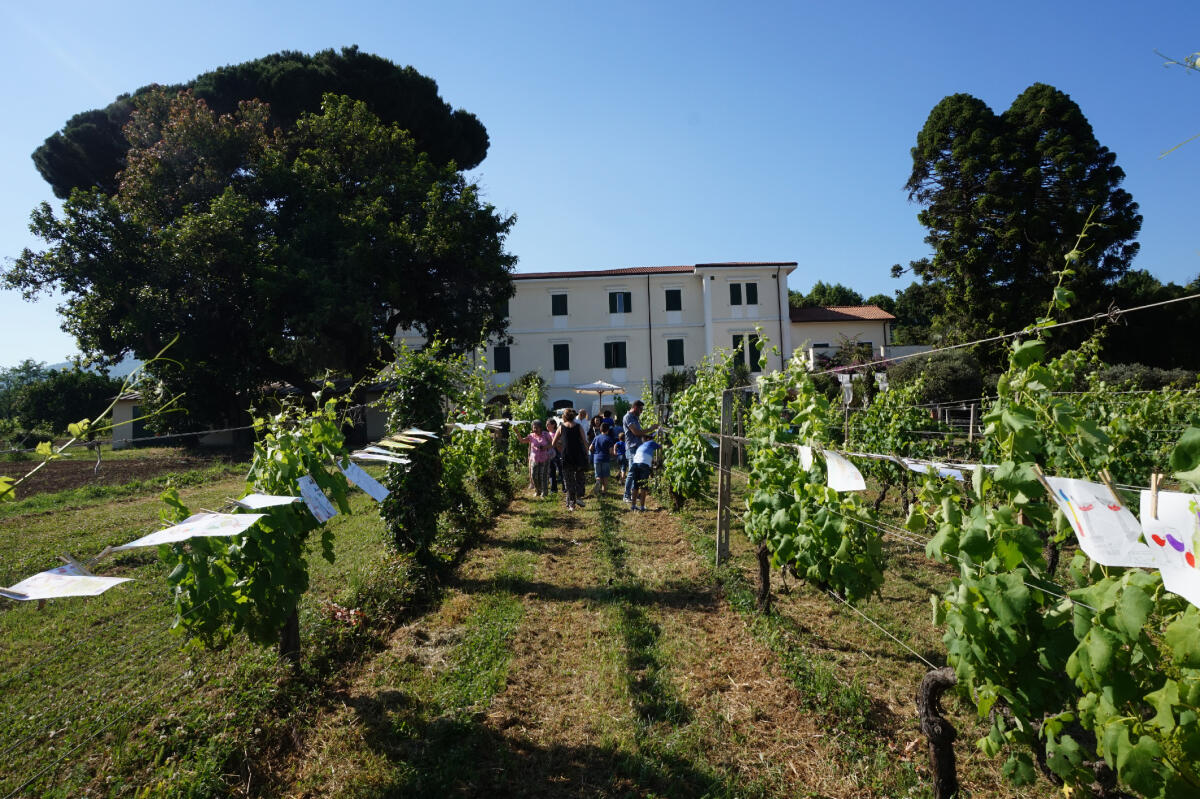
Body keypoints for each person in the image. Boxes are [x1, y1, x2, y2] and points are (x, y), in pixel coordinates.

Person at [552, 408, 590, 510]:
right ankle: (578, 497)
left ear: (564, 416)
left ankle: (571, 504)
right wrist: (587, 453)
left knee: (569, 480)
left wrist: (560, 448)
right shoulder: (578, 426)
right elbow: (585, 441)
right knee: (580, 478)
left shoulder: (561, 427)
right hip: (578, 455)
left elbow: (553, 443)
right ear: (573, 416)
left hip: (566, 456)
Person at [622, 400, 658, 503]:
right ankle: (626, 495)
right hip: (632, 448)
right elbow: (636, 432)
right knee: (632, 472)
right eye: (640, 409)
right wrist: (650, 429)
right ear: (635, 408)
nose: (641, 412)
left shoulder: (635, 418)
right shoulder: (628, 417)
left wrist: (648, 436)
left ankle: (634, 494)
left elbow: (639, 434)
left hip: (637, 448)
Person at [519, 420, 555, 498]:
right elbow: (522, 441)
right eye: (534, 428)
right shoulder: (531, 436)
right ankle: (537, 491)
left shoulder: (546, 434)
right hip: (534, 459)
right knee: (534, 476)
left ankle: (544, 492)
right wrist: (517, 433)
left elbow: (552, 443)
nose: (535, 429)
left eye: (537, 428)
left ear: (540, 428)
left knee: (543, 476)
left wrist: (545, 447)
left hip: (545, 458)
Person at [628, 430, 661, 512]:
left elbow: (645, 456)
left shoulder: (641, 446)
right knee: (643, 486)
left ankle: (633, 506)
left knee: (635, 485)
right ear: (649, 438)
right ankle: (642, 507)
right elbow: (661, 447)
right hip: (644, 465)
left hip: (635, 464)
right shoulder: (651, 442)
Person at [589, 421, 616, 496]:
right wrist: (613, 454)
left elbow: (590, 448)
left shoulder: (596, 437)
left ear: (600, 429)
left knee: (598, 475)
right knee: (605, 476)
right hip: (605, 459)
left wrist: (595, 452)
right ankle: (604, 492)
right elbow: (610, 451)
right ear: (608, 430)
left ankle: (598, 481)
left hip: (596, 458)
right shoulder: (609, 439)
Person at [545, 417, 563, 495]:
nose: (547, 426)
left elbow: (560, 443)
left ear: (553, 425)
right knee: (551, 473)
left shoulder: (557, 433)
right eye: (546, 424)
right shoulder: (547, 434)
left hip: (558, 455)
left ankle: (565, 488)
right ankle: (553, 489)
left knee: (561, 472)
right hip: (550, 456)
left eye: (548, 424)